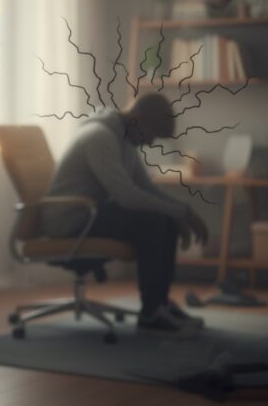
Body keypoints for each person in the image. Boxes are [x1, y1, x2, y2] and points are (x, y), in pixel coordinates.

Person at [40, 93, 210, 336]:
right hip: (71, 223)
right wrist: (181, 213)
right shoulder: (99, 137)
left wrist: (184, 211)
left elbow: (146, 188)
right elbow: (127, 196)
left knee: (163, 216)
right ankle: (152, 313)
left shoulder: (123, 139)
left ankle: (160, 304)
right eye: (152, 134)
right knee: (151, 219)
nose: (150, 142)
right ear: (137, 119)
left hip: (90, 215)